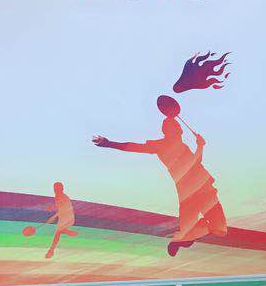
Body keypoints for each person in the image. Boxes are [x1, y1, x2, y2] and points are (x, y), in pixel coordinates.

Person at [92, 95, 228, 256]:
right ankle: (185, 236)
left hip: (199, 189)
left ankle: (186, 236)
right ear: (170, 131)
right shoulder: (162, 146)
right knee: (210, 229)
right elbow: (133, 147)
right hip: (193, 191)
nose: (179, 130)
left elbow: (196, 162)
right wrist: (108, 143)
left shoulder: (180, 146)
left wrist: (200, 146)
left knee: (219, 230)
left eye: (178, 129)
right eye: (175, 128)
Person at [43, 181, 79, 259]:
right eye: (54, 188)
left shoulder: (63, 197)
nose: (55, 190)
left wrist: (53, 217)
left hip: (68, 217)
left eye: (57, 188)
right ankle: (51, 250)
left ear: (61, 189)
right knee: (58, 233)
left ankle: (51, 251)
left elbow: (63, 209)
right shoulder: (57, 196)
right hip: (63, 217)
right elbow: (60, 208)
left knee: (58, 232)